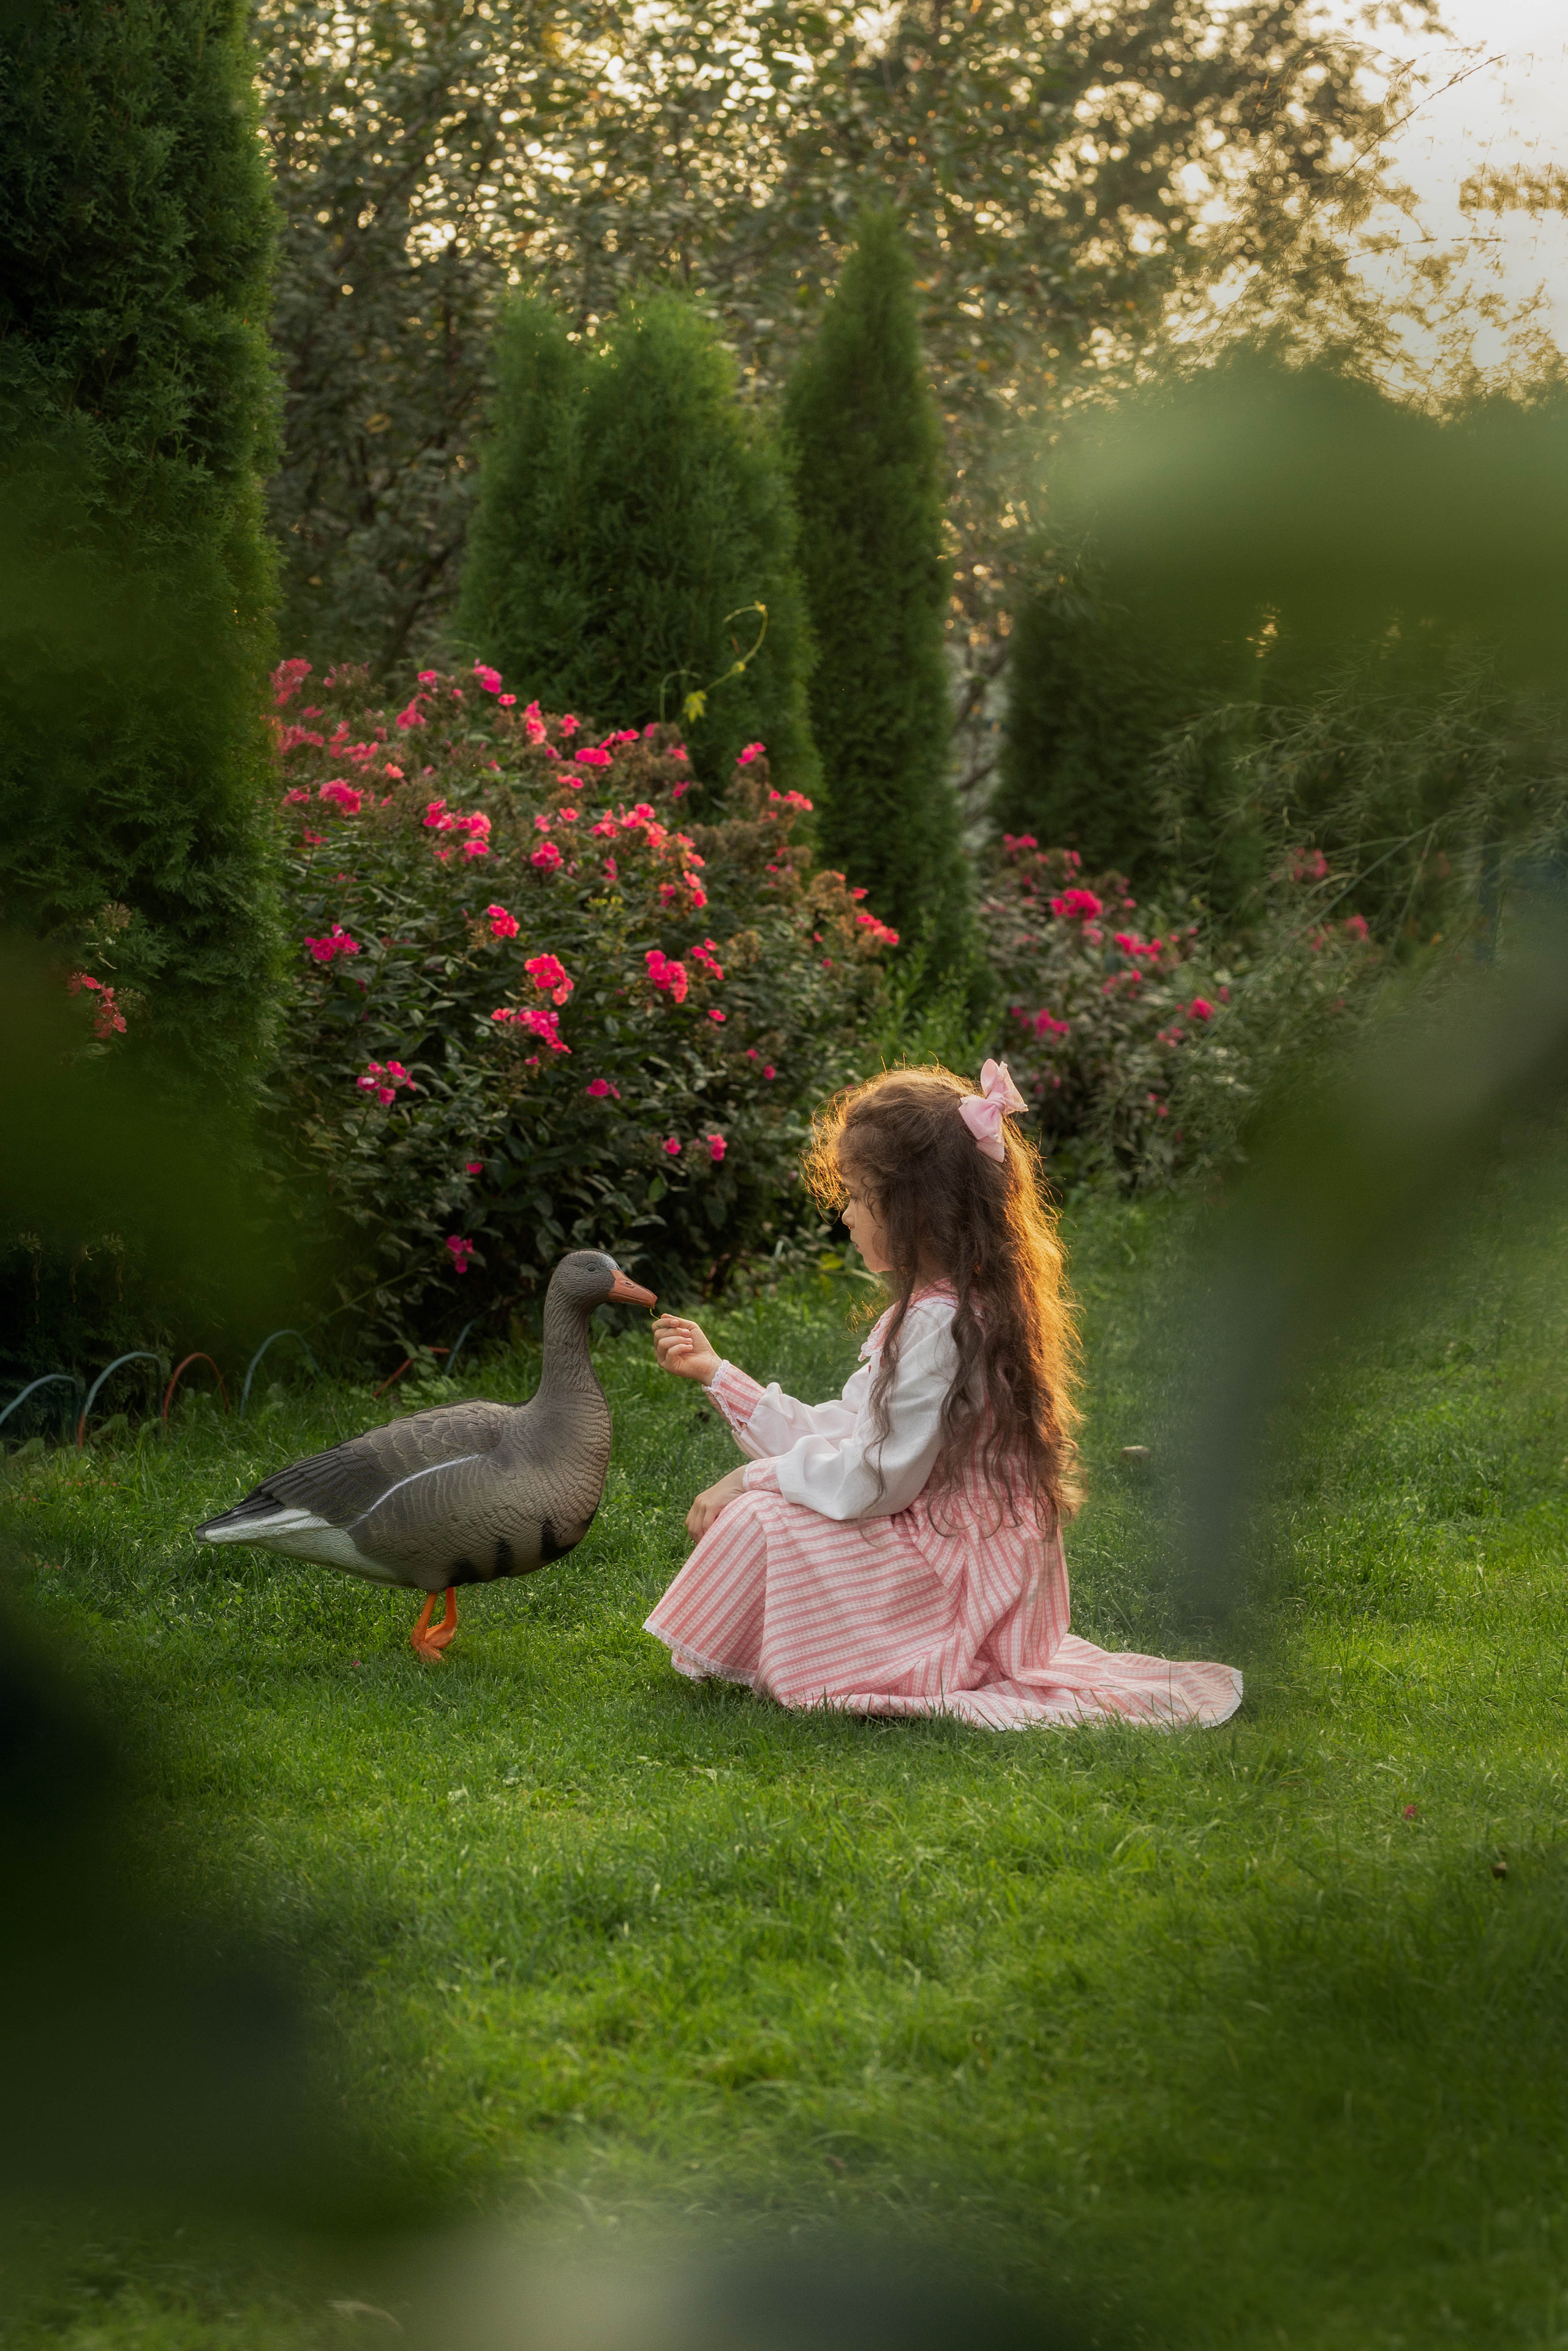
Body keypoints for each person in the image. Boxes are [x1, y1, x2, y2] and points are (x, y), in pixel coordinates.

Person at [643, 1061, 1242, 1732]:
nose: (843, 1214)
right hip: (960, 1553)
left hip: (956, 1582)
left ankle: (881, 1658)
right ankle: (822, 1647)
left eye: (857, 1197)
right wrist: (717, 1374)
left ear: (912, 1210)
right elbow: (849, 1432)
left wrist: (753, 1478)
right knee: (768, 1505)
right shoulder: (946, 1309)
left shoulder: (937, 1323)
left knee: (762, 1517)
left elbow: (875, 1479)